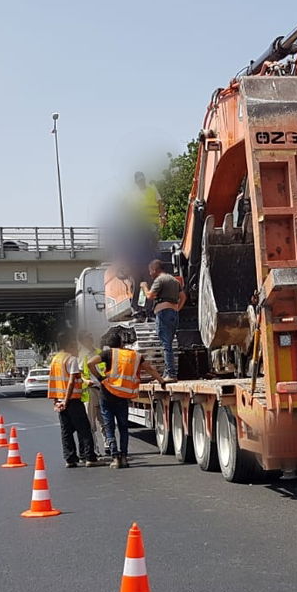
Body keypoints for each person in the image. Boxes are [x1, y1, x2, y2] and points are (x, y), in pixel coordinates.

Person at [86, 327, 169, 469]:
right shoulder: (134, 355)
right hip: (123, 396)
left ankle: (115, 457)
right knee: (123, 427)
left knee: (109, 426)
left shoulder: (108, 353)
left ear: (109, 345)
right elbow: (149, 368)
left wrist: (101, 378)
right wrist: (161, 381)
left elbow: (90, 363)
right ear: (122, 344)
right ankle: (124, 457)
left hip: (107, 394)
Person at [47, 335, 103, 468]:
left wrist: (57, 401)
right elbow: (71, 381)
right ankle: (90, 457)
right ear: (69, 346)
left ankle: (70, 459)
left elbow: (54, 381)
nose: (78, 350)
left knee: (66, 431)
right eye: (75, 347)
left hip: (60, 400)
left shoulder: (55, 360)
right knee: (84, 429)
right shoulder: (71, 359)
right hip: (71, 400)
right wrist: (66, 401)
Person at [126, 172, 165, 314]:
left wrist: (162, 216)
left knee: (152, 247)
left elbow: (160, 204)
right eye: (139, 181)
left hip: (151, 225)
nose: (141, 183)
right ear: (136, 182)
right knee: (142, 246)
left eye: (142, 180)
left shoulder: (151, 189)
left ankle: (155, 261)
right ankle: (141, 307)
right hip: (140, 226)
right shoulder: (133, 194)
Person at [144, 259, 186, 380]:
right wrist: (177, 308)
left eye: (150, 271)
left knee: (166, 345)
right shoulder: (174, 280)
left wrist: (144, 287)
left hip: (163, 314)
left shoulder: (160, 280)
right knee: (169, 344)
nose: (150, 274)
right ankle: (168, 373)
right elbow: (183, 296)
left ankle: (170, 374)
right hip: (173, 313)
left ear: (155, 269)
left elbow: (150, 296)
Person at [77, 331, 105, 451]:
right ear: (82, 341)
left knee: (104, 419)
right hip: (89, 391)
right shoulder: (80, 355)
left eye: (91, 337)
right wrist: (85, 381)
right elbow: (78, 374)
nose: (91, 339)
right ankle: (94, 448)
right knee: (91, 423)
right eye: (88, 338)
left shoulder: (99, 352)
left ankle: (108, 444)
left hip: (102, 389)